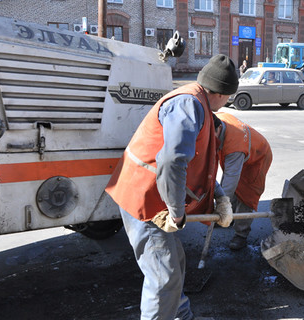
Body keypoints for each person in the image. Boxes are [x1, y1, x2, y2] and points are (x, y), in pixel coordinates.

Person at [105, 54, 239, 320]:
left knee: (174, 261)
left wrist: (220, 198)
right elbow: (172, 160)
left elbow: (202, 165)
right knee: (164, 275)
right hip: (143, 200)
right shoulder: (190, 105)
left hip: (152, 197)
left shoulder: (197, 105)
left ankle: (182, 316)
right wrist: (177, 212)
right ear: (223, 94)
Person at [213, 112, 273, 250]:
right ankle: (228, 217)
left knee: (246, 196)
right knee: (230, 190)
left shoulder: (234, 147)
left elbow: (230, 181)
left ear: (219, 129)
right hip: (241, 152)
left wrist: (220, 205)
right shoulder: (217, 119)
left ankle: (241, 234)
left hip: (258, 158)